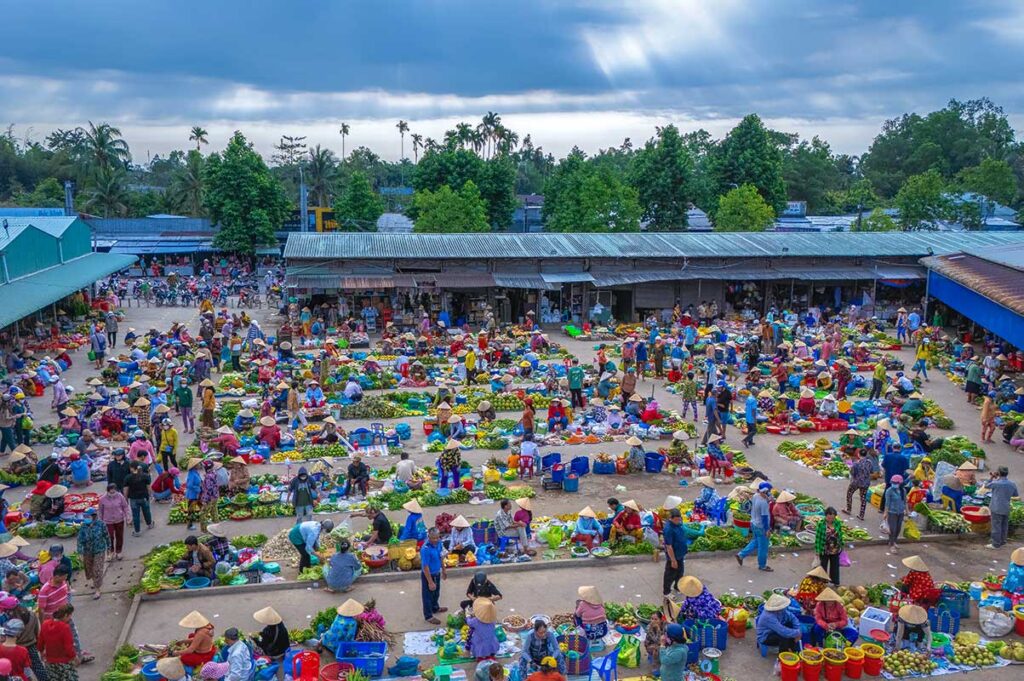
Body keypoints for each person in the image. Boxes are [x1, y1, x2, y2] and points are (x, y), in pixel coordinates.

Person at [662, 508, 700, 596]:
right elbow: (669, 546)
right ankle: (666, 592)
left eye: (679, 519)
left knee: (680, 573)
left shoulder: (678, 524)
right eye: (676, 520)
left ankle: (677, 587)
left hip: (680, 554)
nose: (678, 521)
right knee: (670, 575)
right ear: (671, 518)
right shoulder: (668, 529)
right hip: (674, 556)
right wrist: (673, 560)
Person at [737, 482, 773, 571]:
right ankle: (762, 565)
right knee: (763, 547)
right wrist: (767, 530)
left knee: (756, 542)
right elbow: (764, 518)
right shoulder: (763, 503)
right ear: (765, 492)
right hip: (761, 527)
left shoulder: (756, 496)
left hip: (754, 524)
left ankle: (741, 555)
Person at [983, 467, 1019, 549]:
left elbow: (986, 485)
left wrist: (992, 477)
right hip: (1006, 507)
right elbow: (1015, 495)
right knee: (1004, 525)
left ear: (998, 473)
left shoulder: (996, 483)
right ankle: (1002, 541)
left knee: (996, 526)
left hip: (996, 507)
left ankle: (995, 544)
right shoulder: (1012, 484)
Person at [76, 509, 108, 600]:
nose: (86, 518)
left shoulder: (101, 524)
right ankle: (95, 582)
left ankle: (97, 589)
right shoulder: (83, 526)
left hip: (99, 550)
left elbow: (106, 536)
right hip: (87, 552)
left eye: (88, 517)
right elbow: (80, 540)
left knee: (97, 569)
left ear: (93, 516)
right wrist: (80, 552)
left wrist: (109, 549)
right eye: (85, 517)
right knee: (89, 569)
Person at [253, 607, 289, 681]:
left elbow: (262, 644)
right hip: (285, 648)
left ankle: (271, 659)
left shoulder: (268, 631)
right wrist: (261, 634)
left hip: (276, 653)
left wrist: (254, 639)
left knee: (258, 648)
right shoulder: (280, 624)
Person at [420, 528, 447, 624]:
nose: (435, 540)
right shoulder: (425, 549)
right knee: (427, 596)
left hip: (437, 573)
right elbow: (425, 566)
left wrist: (443, 570)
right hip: (428, 575)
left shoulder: (439, 543)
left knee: (436, 593)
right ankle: (428, 616)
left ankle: (435, 608)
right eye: (433, 538)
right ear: (429, 537)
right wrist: (430, 582)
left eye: (437, 538)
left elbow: (441, 557)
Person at [98, 483, 129, 560]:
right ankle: (110, 552)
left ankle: (118, 551)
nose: (113, 494)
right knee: (109, 537)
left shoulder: (120, 496)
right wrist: (100, 522)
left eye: (114, 492)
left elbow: (125, 506)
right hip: (108, 521)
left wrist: (128, 516)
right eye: (111, 493)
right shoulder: (102, 499)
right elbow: (100, 511)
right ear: (107, 491)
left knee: (119, 536)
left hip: (119, 519)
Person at [814, 507, 844, 585]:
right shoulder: (821, 524)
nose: (831, 519)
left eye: (832, 518)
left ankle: (835, 582)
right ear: (826, 516)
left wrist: (842, 545)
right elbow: (818, 538)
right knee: (823, 566)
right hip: (824, 549)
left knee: (835, 567)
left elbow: (840, 534)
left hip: (835, 549)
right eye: (829, 517)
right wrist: (817, 550)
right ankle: (822, 582)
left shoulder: (837, 523)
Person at [124, 462, 154, 536]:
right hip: (144, 497)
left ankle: (137, 531)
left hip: (134, 499)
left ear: (132, 468)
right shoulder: (145, 476)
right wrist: (151, 495)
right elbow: (149, 487)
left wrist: (125, 499)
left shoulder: (128, 477)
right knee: (146, 511)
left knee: (135, 515)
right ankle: (149, 524)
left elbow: (126, 490)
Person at [884, 474, 907, 551]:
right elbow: (887, 503)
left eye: (896, 483)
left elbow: (905, 502)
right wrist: (885, 513)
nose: (894, 484)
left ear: (900, 483)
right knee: (892, 529)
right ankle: (891, 545)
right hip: (892, 512)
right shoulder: (889, 491)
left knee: (898, 529)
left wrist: (907, 512)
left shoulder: (903, 491)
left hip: (900, 512)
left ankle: (894, 541)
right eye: (893, 482)